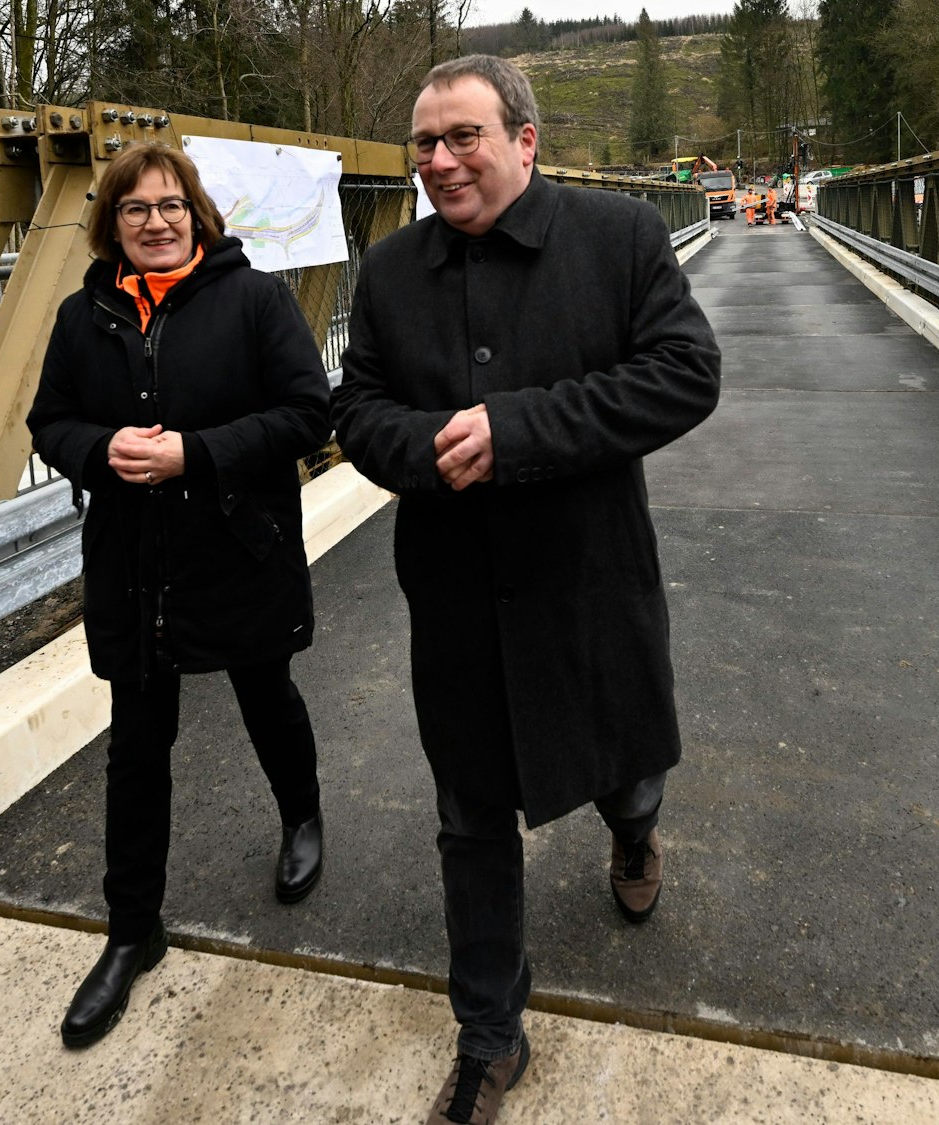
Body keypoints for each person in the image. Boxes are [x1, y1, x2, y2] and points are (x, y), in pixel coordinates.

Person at [333, 54, 721, 1125]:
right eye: (424, 142)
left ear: (525, 141)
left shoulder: (618, 239)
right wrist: (424, 446)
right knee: (469, 816)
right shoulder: (391, 271)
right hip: (456, 601)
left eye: (462, 136)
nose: (439, 160)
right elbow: (355, 407)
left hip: (587, 583)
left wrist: (520, 430)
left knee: (619, 765)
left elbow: (687, 372)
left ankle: (636, 828)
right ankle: (489, 1039)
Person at [26, 143, 333, 1050]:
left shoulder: (256, 299)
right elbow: (50, 418)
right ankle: (132, 930)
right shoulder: (85, 314)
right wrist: (97, 450)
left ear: (198, 213)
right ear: (110, 223)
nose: (156, 222)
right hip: (133, 560)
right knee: (136, 741)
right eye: (136, 209)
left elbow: (306, 411)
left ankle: (303, 816)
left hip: (236, 546)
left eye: (171, 205)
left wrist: (192, 454)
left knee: (264, 694)